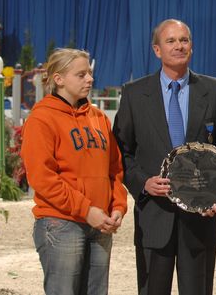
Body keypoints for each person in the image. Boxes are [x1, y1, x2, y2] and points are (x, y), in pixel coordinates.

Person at [113, 19, 216, 295]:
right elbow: (121, 152)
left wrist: (214, 196)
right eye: (171, 41)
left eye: (184, 40)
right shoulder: (134, 94)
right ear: (157, 50)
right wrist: (143, 183)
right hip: (154, 218)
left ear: (192, 47)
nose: (179, 46)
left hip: (200, 221)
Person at [21, 48, 128, 294]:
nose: (89, 79)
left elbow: (114, 169)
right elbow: (42, 178)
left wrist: (118, 206)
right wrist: (85, 210)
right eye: (81, 75)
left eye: (89, 73)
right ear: (58, 79)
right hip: (61, 223)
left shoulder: (99, 118)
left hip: (100, 222)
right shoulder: (42, 118)